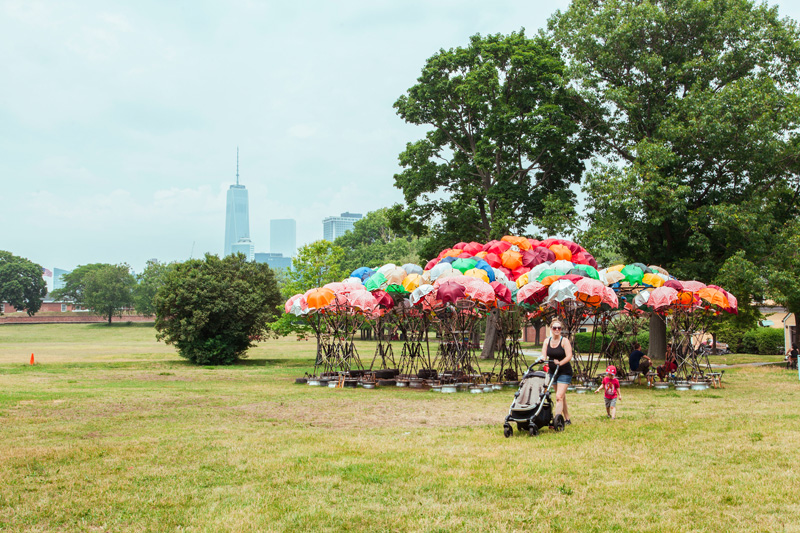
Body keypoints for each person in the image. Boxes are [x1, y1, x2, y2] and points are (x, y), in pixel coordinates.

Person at [537, 320, 574, 426]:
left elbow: (569, 356)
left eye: (559, 328)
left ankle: (556, 422)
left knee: (558, 396)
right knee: (561, 397)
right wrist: (541, 359)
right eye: (555, 328)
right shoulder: (546, 341)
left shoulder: (564, 341)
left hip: (564, 371)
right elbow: (544, 355)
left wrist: (560, 363)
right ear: (551, 329)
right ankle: (567, 419)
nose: (557, 330)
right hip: (553, 372)